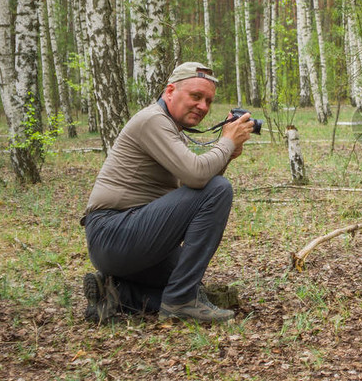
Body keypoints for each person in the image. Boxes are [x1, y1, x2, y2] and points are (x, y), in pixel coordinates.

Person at [81, 62, 255, 324]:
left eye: (208, 101)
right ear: (170, 91)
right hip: (114, 232)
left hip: (133, 239)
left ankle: (116, 294)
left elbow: (196, 190)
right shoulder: (153, 120)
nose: (203, 107)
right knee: (220, 190)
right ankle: (180, 304)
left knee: (186, 283)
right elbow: (199, 178)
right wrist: (227, 141)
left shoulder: (172, 131)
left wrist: (226, 155)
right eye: (196, 96)